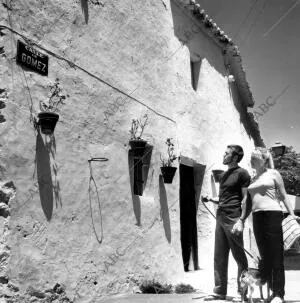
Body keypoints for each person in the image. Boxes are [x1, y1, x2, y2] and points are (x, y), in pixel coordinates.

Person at [239, 147, 299, 303]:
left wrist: (292, 215)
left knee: (276, 255)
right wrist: (241, 220)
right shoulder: (253, 179)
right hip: (257, 217)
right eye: (251, 157)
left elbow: (284, 195)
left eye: (254, 157)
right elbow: (248, 202)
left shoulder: (273, 174)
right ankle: (272, 292)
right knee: (265, 257)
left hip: (272, 214)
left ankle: (279, 294)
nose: (250, 160)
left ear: (263, 159)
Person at [203, 145, 251, 301]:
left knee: (239, 257)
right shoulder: (223, 175)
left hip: (234, 217)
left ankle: (242, 293)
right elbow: (225, 197)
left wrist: (241, 220)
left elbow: (245, 199)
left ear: (235, 157)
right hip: (221, 216)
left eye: (227, 154)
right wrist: (211, 199)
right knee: (219, 256)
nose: (223, 155)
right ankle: (219, 291)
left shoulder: (242, 174)